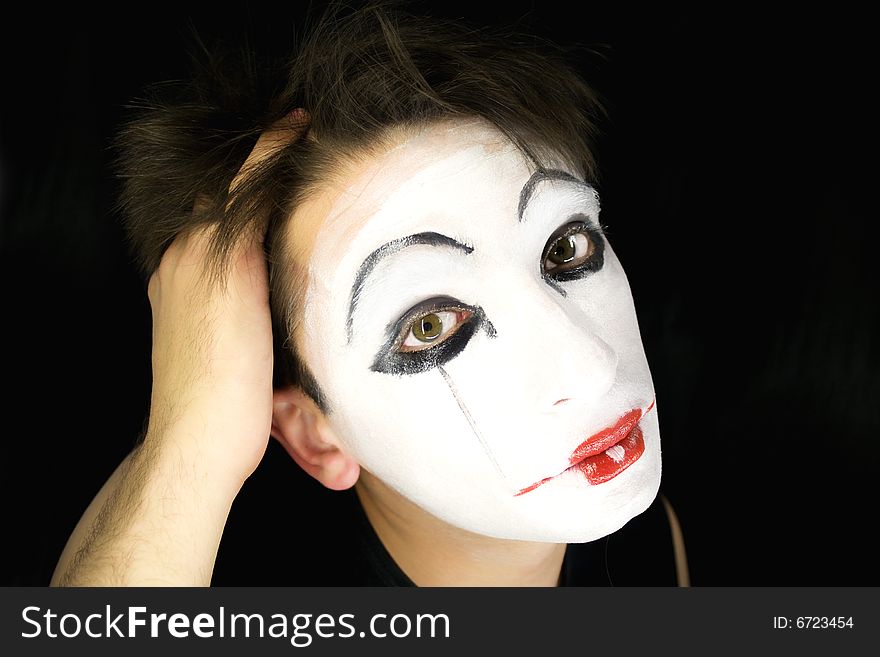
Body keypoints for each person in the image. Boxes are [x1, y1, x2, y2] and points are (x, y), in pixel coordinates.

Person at [51, 1, 684, 586]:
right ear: (314, 436)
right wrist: (190, 443)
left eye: (565, 249)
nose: (593, 367)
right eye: (431, 326)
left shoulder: (644, 542)